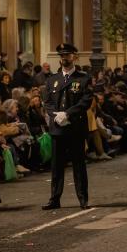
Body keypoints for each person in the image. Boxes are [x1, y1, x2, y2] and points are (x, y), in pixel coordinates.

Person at [42, 43, 94, 210]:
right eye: (62, 55)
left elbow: (86, 101)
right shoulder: (52, 80)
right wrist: (55, 115)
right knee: (57, 166)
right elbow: (48, 102)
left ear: (75, 57)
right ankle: (54, 198)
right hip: (58, 127)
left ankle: (83, 198)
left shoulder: (83, 79)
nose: (65, 58)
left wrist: (68, 113)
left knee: (78, 165)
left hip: (75, 127)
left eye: (68, 55)